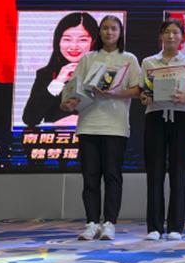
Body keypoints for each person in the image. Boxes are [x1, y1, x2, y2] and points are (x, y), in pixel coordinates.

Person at [60, 15, 140, 241]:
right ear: (99, 32)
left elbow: (138, 90)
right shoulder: (88, 58)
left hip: (115, 126)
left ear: (120, 32)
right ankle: (92, 223)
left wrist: (114, 93)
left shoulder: (129, 59)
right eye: (105, 28)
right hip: (88, 124)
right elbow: (74, 87)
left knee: (113, 177)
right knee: (90, 178)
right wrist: (67, 104)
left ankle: (110, 223)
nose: (109, 32)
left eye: (113, 28)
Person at [140, 19, 185, 241]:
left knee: (178, 172)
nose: (171, 36)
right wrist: (145, 97)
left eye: (176, 32)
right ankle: (154, 227)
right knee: (154, 173)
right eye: (167, 32)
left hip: (181, 118)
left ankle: (176, 227)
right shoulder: (149, 62)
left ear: (182, 37)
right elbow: (144, 91)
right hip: (155, 116)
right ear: (161, 35)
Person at [23, 12, 98, 127]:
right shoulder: (45, 74)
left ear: (93, 42)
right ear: (58, 41)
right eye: (67, 39)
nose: (74, 46)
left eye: (82, 40)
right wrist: (58, 82)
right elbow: (30, 119)